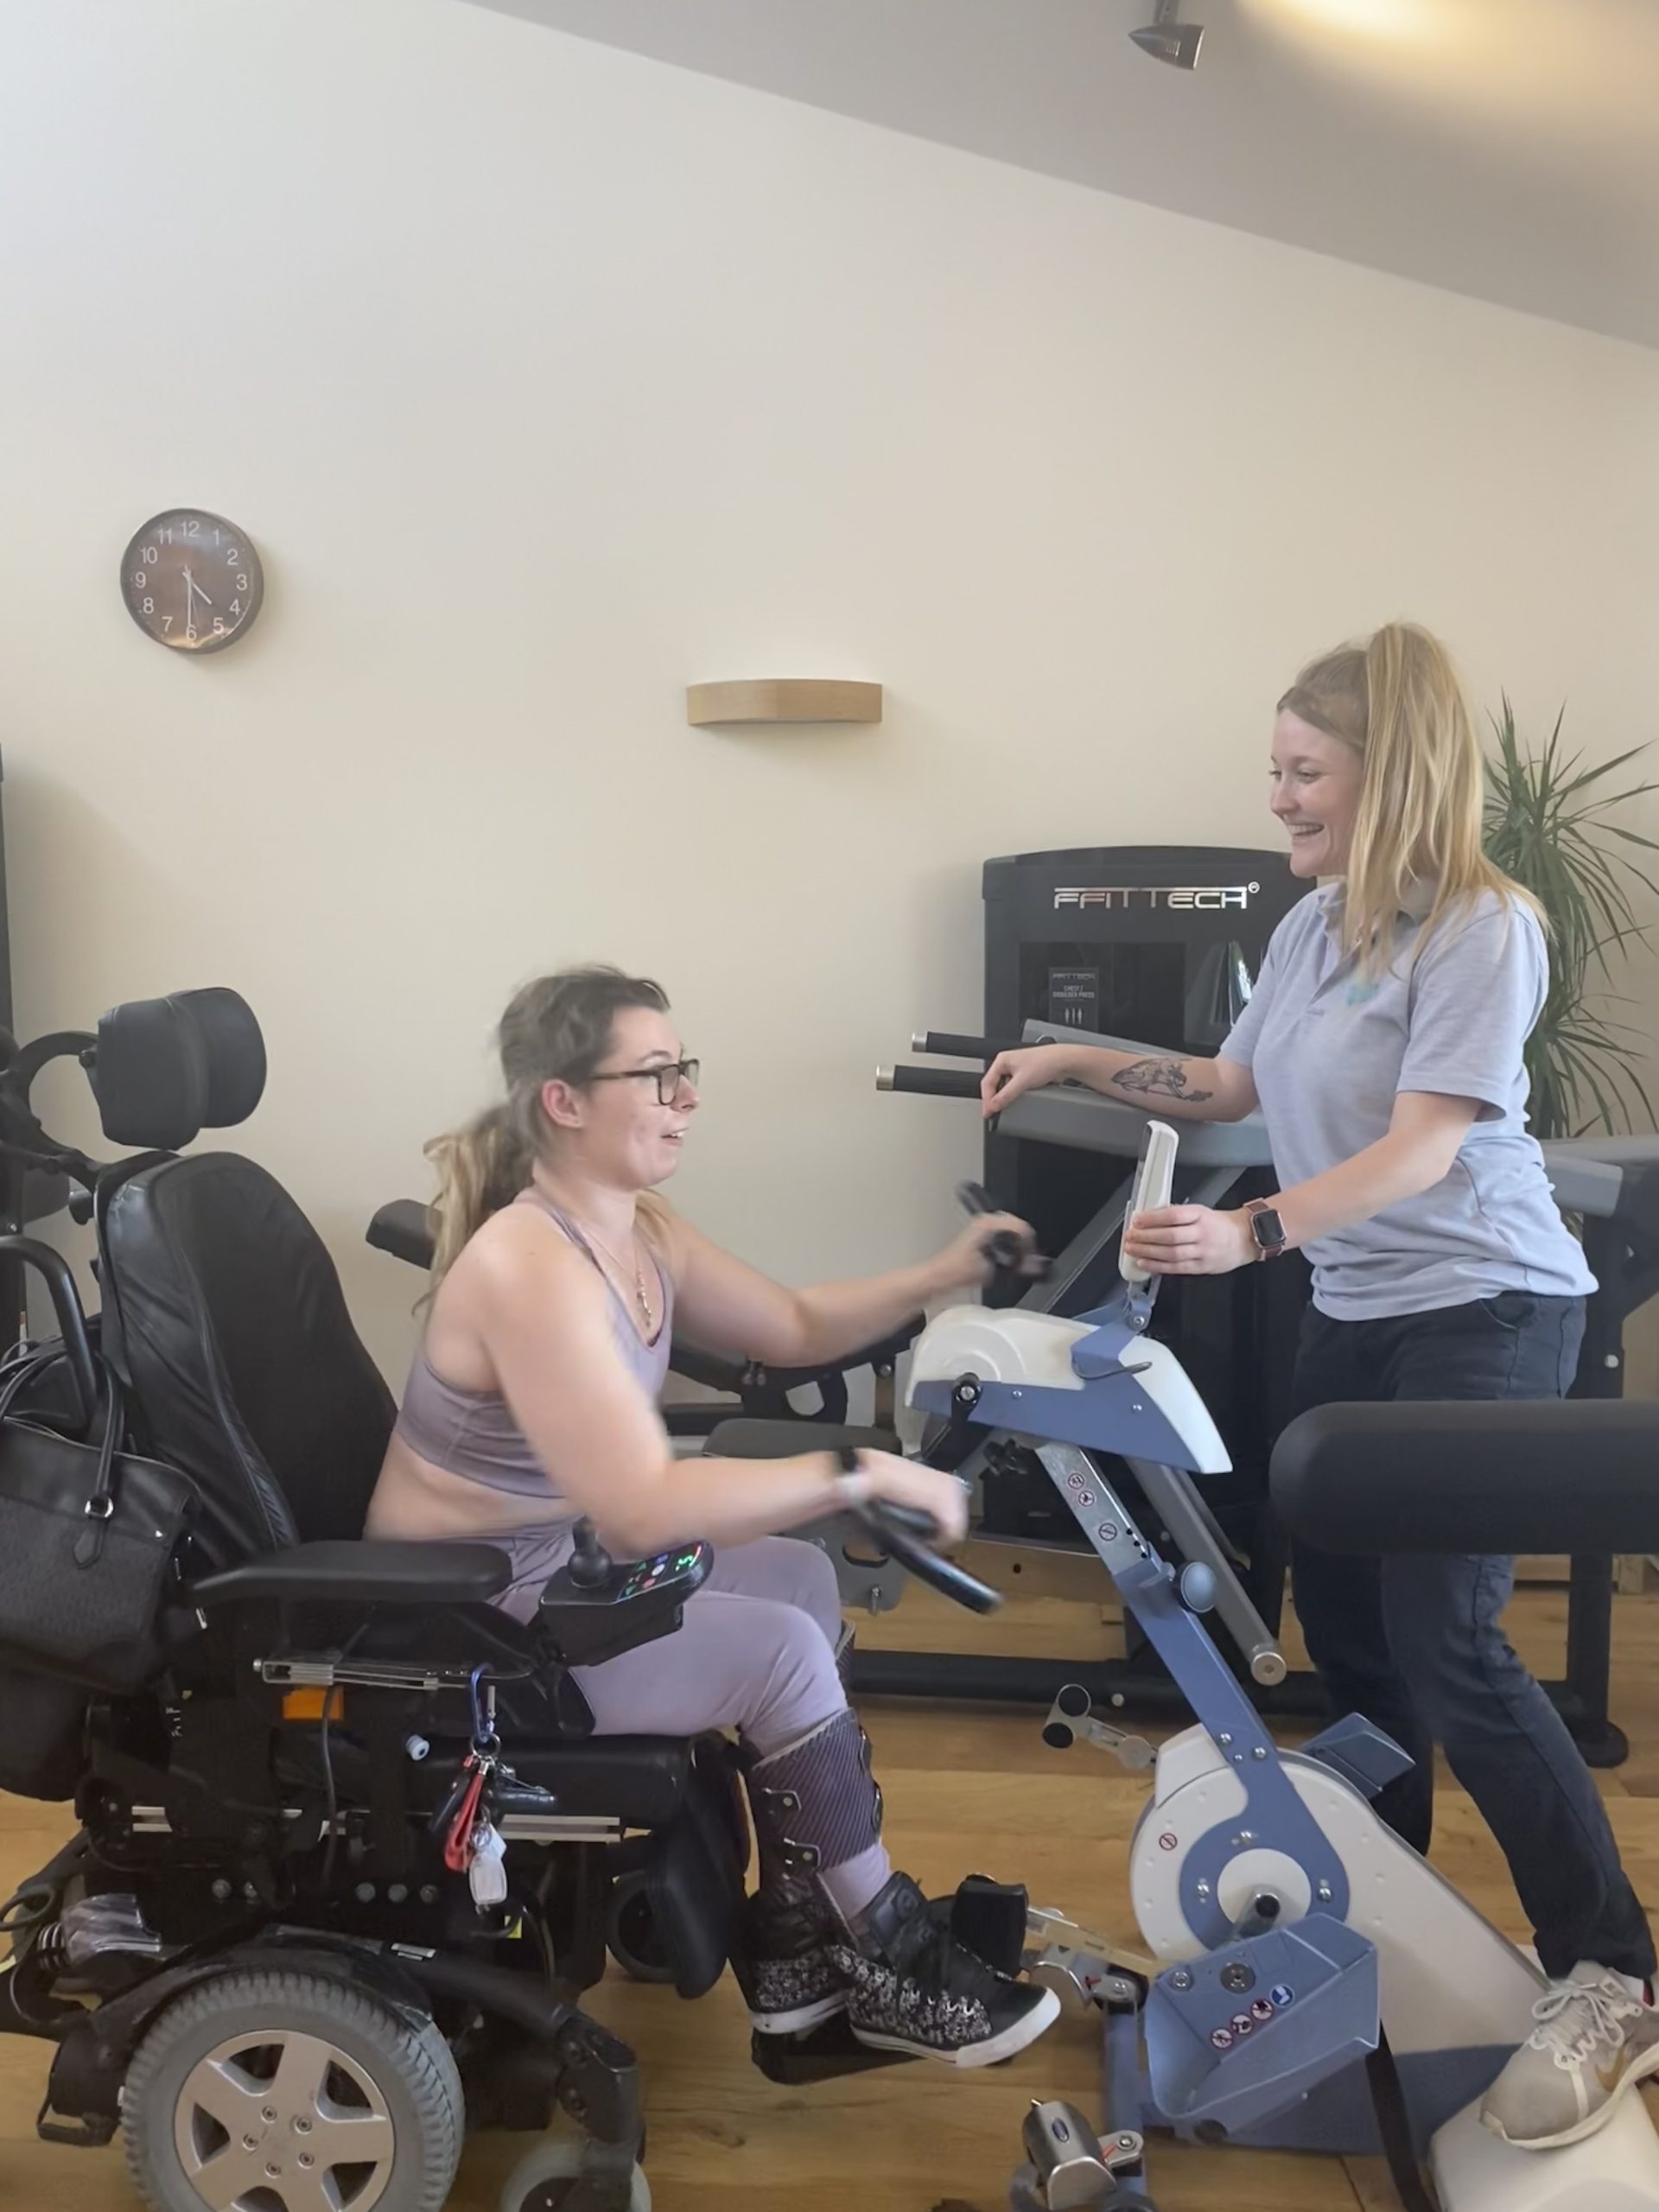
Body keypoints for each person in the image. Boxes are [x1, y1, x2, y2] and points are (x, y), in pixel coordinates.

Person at [982, 622, 1658, 2151]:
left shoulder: (1483, 926)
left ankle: (1612, 1967)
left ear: (1386, 772)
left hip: (1483, 1307)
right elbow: (1230, 1088)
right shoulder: (1311, 931)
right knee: (1348, 1638)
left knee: (1450, 1637)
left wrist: (1253, 1230)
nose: (1277, 796)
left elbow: (1424, 1144)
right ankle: (1377, 1928)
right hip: (1357, 1309)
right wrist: (1075, 1054)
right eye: (1276, 770)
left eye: (1303, 772)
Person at [368, 966, 1058, 2069]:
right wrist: (854, 1469)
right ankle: (886, 1950)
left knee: (798, 1579)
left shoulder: (636, 1228)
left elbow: (787, 1322)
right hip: (469, 1623)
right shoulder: (528, 1267)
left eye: (683, 1069)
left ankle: (794, 1946)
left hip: (556, 1570)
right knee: (780, 1650)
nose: (685, 1095)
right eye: (655, 1074)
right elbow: (641, 1507)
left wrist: (942, 1274)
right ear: (564, 1101)